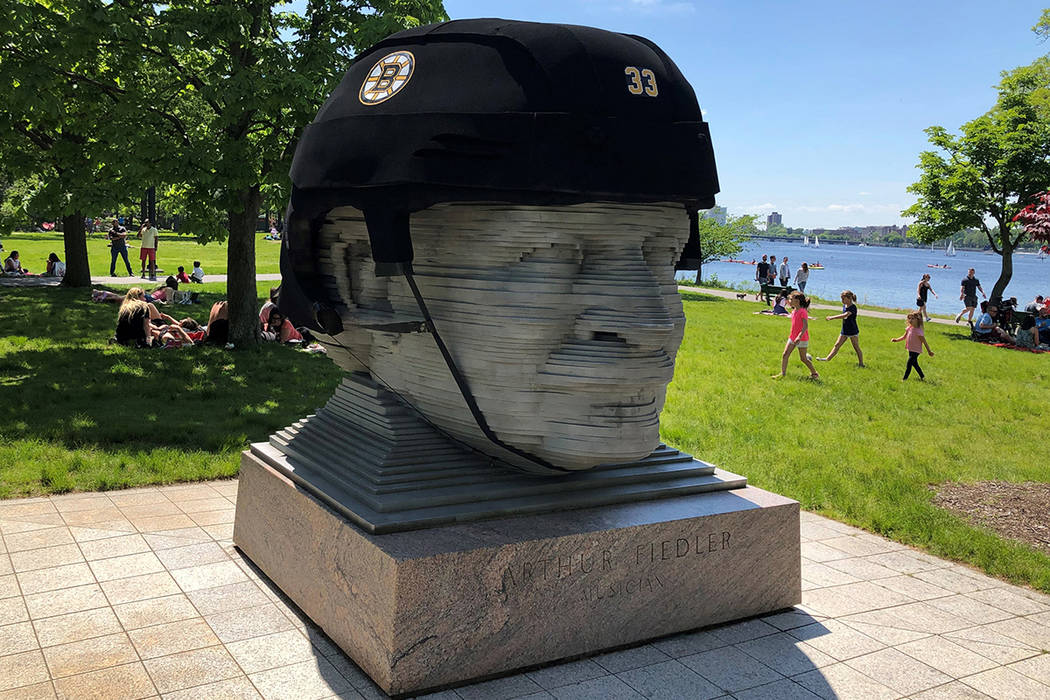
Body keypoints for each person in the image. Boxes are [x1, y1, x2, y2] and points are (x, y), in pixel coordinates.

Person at [774, 291, 819, 380]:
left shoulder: (803, 312)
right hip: (792, 337)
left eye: (791, 299)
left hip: (802, 338)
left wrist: (799, 336)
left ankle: (814, 374)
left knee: (803, 359)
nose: (789, 301)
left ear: (797, 301)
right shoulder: (794, 310)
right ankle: (783, 374)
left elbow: (805, 326)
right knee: (785, 354)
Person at [817, 290, 864, 366]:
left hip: (852, 331)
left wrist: (832, 317)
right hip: (845, 330)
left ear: (849, 298)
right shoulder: (844, 306)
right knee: (837, 345)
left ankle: (861, 363)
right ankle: (827, 359)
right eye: (841, 299)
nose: (842, 301)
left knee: (856, 347)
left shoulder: (853, 307)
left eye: (843, 299)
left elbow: (845, 315)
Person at [892, 312, 933, 381]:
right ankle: (922, 376)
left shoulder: (919, 331)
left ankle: (904, 379)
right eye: (909, 318)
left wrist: (929, 351)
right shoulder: (909, 328)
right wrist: (896, 340)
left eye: (913, 318)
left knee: (909, 364)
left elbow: (924, 342)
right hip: (910, 349)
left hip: (916, 351)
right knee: (915, 364)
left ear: (918, 320)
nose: (910, 320)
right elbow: (904, 336)